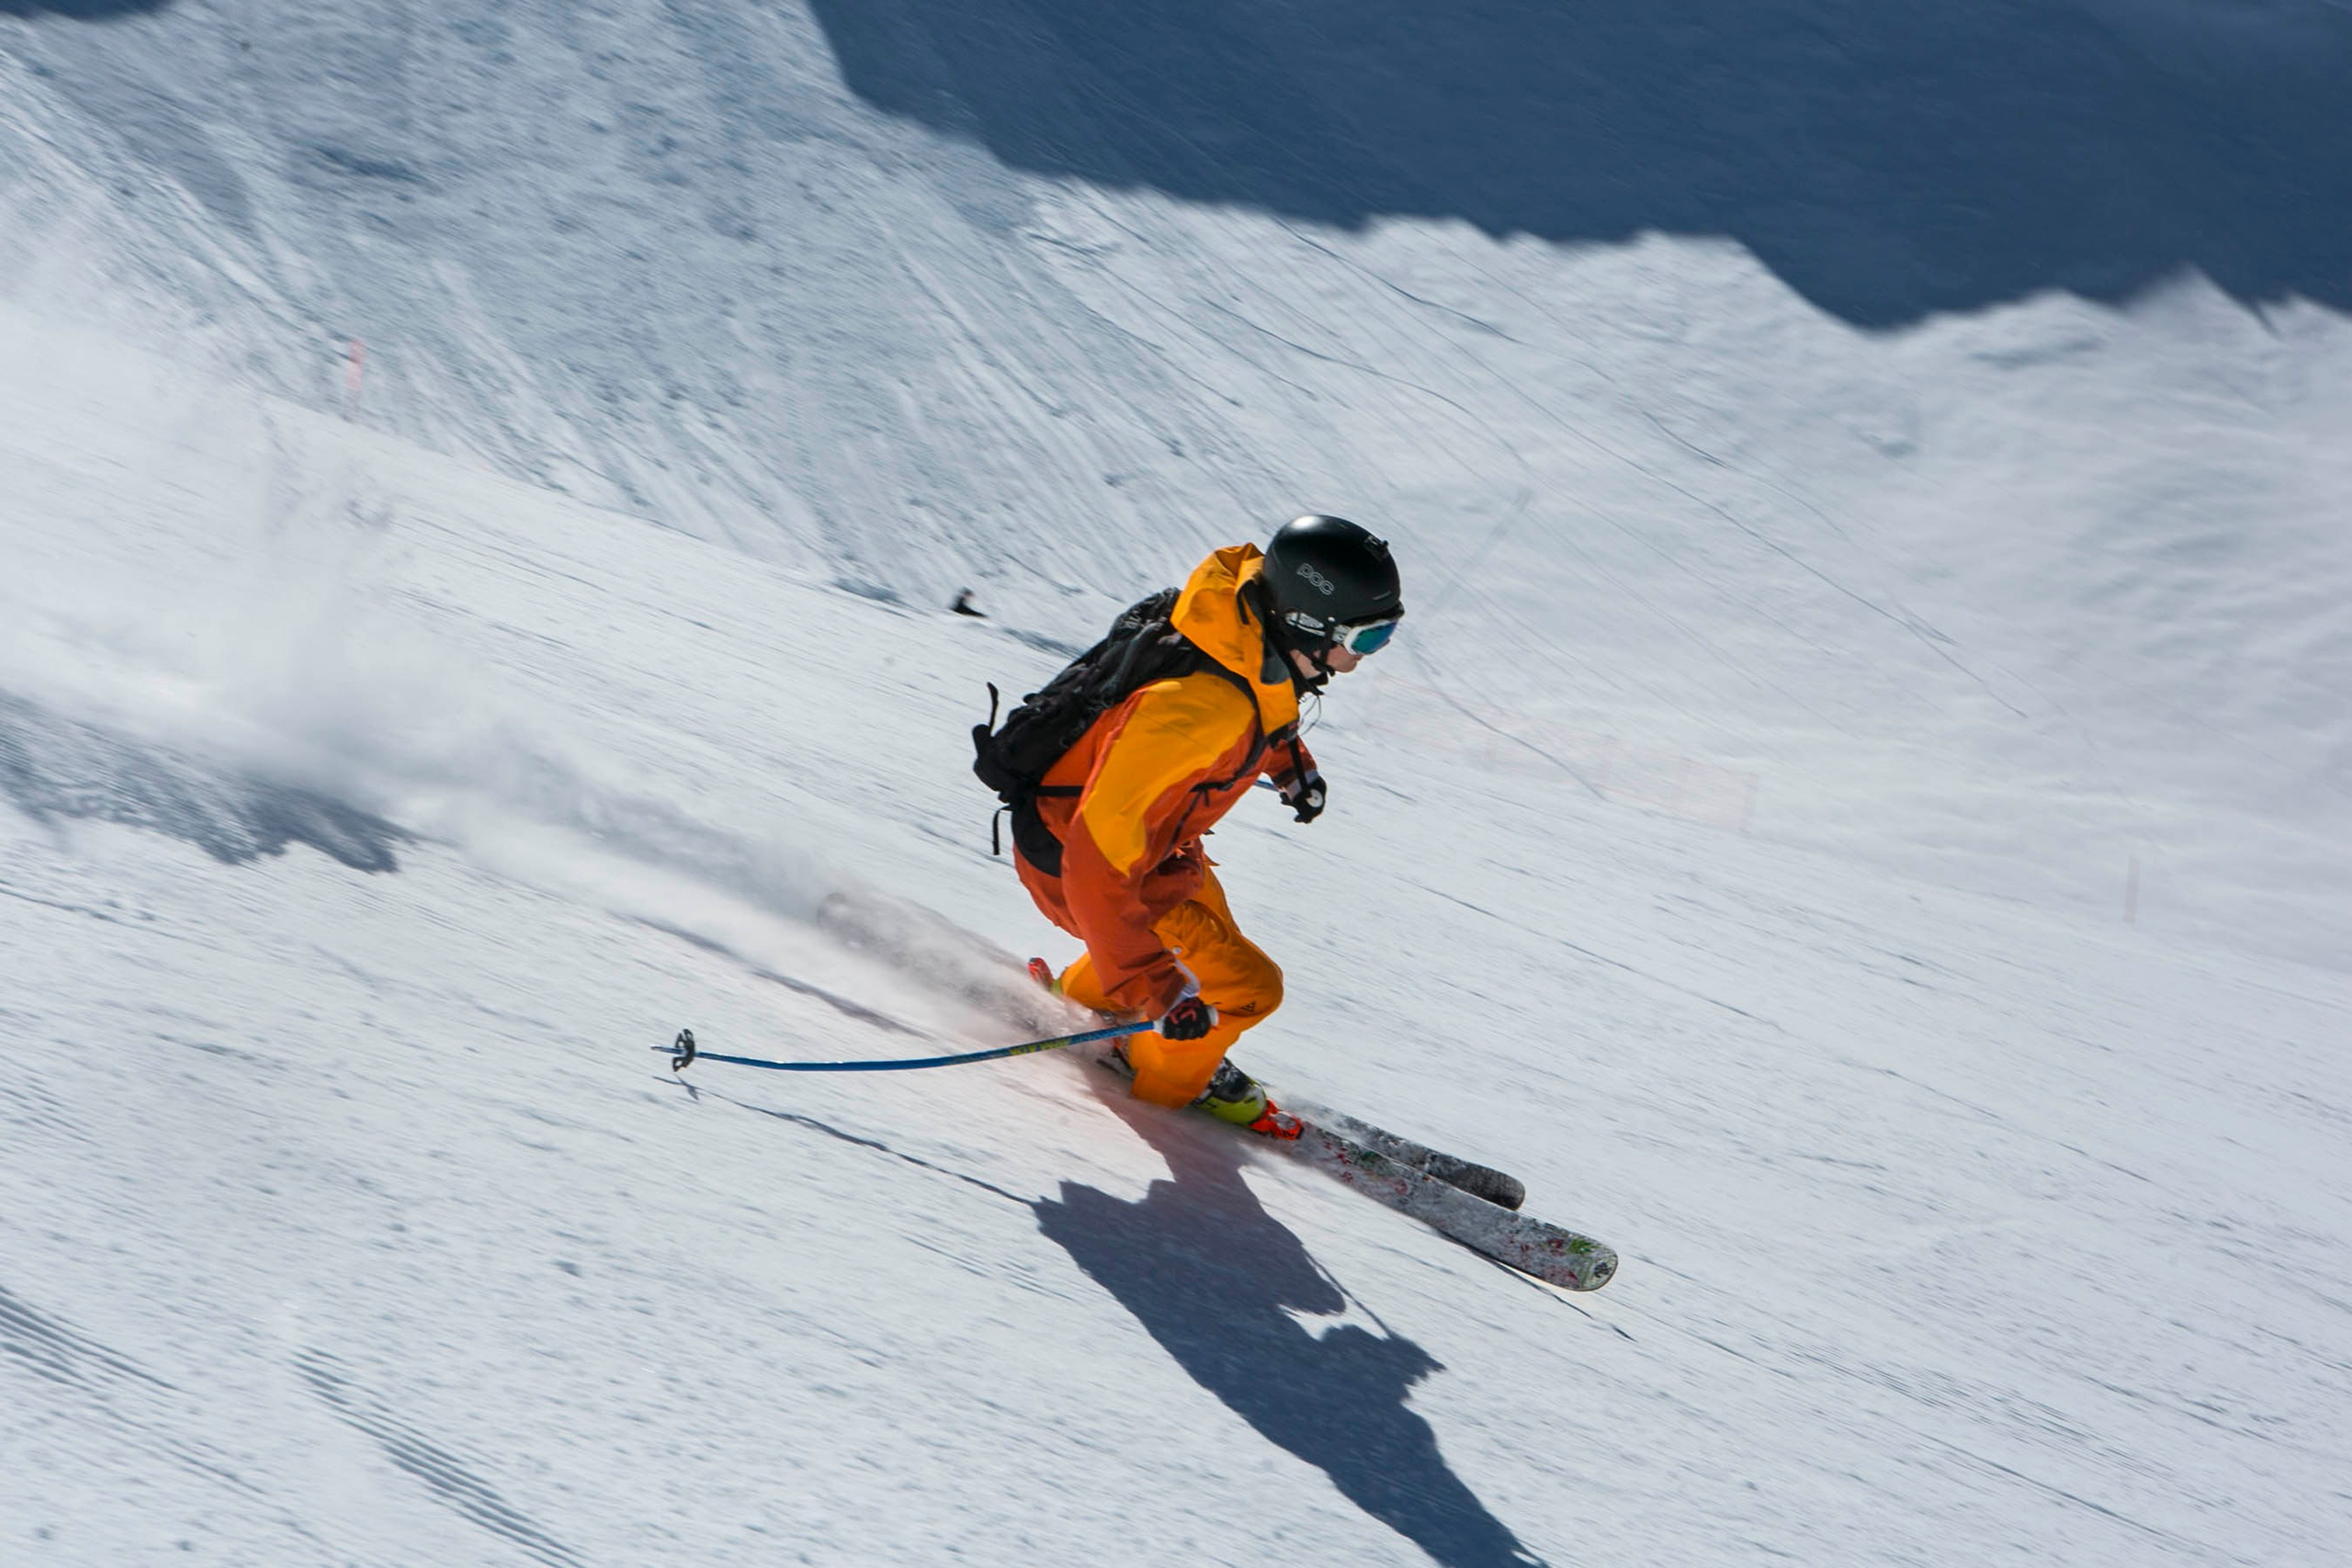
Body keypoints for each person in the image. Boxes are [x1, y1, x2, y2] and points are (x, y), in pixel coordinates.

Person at [1008, 515, 1403, 1134]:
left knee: (1211, 946)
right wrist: (1159, 991)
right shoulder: (1200, 707)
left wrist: (1290, 763)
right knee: (1249, 988)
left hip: (1149, 850)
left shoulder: (1240, 633)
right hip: (1082, 863)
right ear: (1306, 622)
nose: (1361, 660)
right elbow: (1095, 858)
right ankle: (1163, 1094)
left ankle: (1083, 1003)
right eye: (1367, 638)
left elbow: (1259, 708)